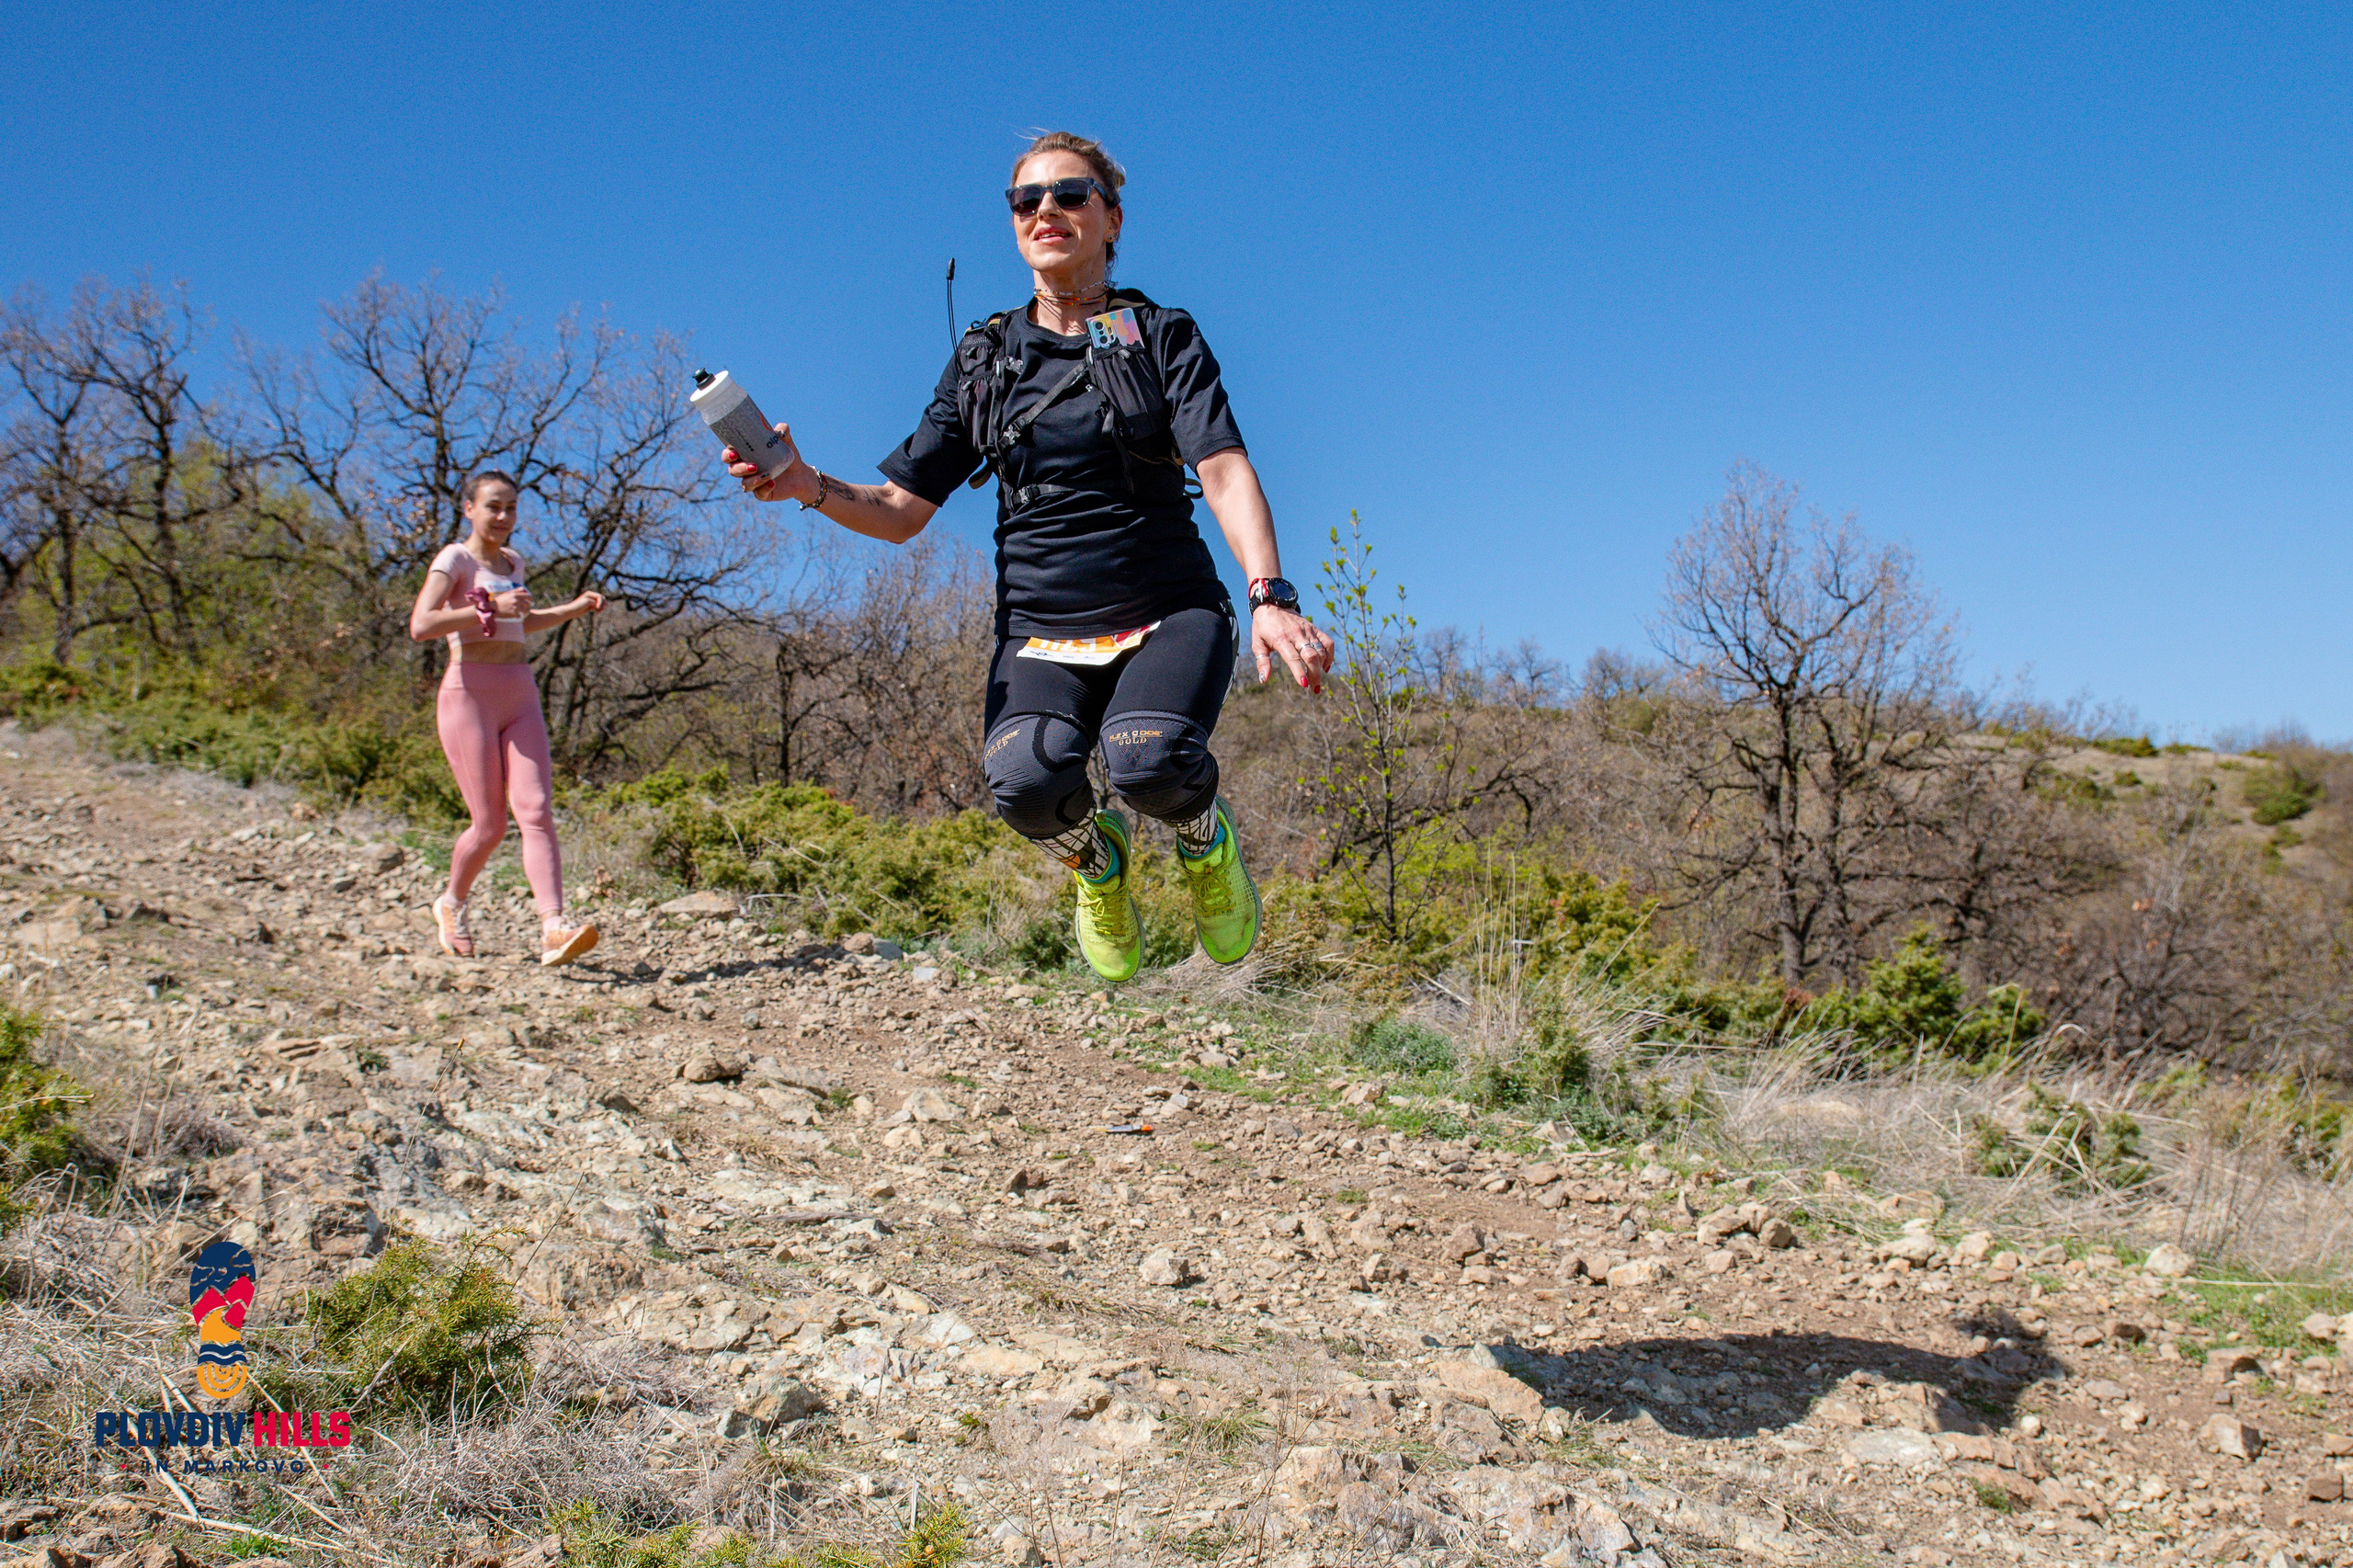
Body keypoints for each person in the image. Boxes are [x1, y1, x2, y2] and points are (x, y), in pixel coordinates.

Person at [724, 131, 1334, 983]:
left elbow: (1224, 469)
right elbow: (902, 512)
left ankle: (1205, 842)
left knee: (1146, 757)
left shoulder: (1160, 335)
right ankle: (1099, 864)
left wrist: (1269, 592)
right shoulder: (983, 360)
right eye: (1026, 199)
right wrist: (802, 482)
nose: (1046, 210)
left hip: (1168, 609)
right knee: (1023, 779)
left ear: (1111, 218)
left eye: (1071, 194)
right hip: (1042, 627)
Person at [406, 471, 607, 965]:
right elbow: (422, 625)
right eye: (493, 506)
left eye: (511, 508)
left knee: (536, 810)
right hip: (468, 694)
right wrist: (489, 607)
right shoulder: (454, 559)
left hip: (519, 693)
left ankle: (554, 927)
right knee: (490, 825)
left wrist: (571, 609)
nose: (503, 517)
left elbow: (518, 621)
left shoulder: (513, 562)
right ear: (469, 509)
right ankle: (451, 903)